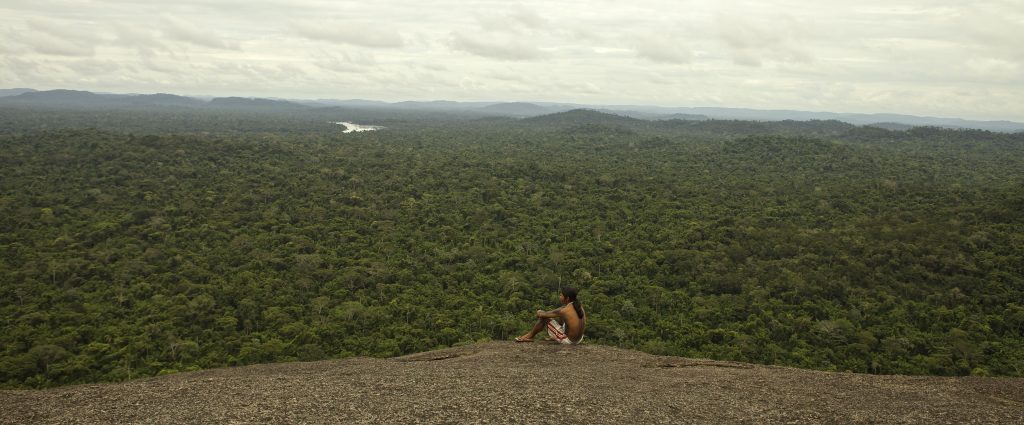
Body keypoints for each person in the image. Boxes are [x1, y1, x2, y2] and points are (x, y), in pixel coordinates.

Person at [515, 287, 586, 344]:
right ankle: (556, 335)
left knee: (544, 319)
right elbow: (560, 313)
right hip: (579, 339)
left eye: (561, 295)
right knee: (562, 317)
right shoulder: (579, 306)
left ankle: (529, 336)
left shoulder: (564, 310)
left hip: (569, 341)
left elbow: (542, 315)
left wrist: (539, 312)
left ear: (567, 298)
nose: (559, 296)